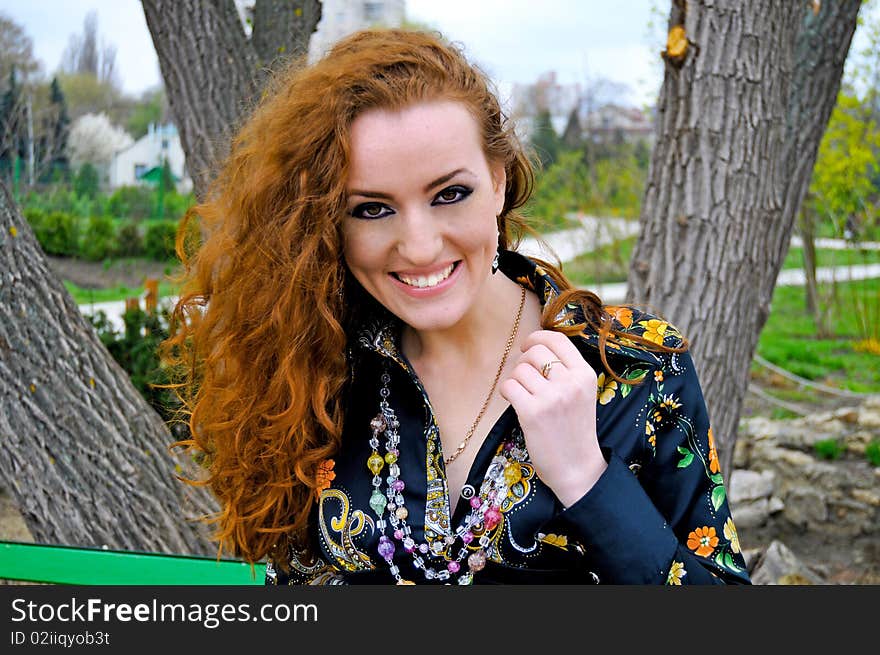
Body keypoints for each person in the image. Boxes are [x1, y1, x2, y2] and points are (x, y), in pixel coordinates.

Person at [163, 28, 751, 585]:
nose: (419, 246)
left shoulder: (632, 366)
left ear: (497, 182)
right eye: (371, 208)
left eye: (450, 194)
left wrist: (586, 479)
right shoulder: (312, 363)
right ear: (327, 222)